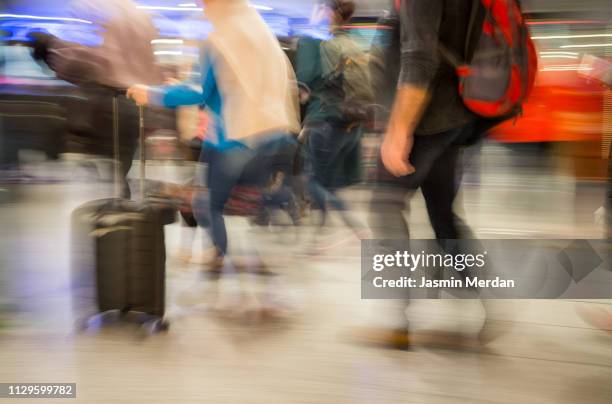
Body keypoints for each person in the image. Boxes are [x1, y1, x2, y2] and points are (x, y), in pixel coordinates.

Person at [363, 0, 507, 349]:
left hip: (427, 117)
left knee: (384, 206)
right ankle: (489, 294)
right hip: (456, 115)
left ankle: (397, 320)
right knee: (443, 215)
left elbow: (419, 58)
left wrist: (399, 130)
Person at [128, 0, 300, 268]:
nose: (201, 5)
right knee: (249, 197)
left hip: (235, 136)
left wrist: (150, 93)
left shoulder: (217, 38)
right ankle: (280, 204)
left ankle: (218, 255)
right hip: (277, 134)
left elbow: (196, 91)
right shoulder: (261, 31)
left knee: (208, 204)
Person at [29, 0, 164, 197]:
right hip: (137, 103)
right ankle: (124, 214)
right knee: (120, 170)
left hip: (109, 102)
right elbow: (152, 66)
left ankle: (117, 216)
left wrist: (51, 50)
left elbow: (84, 61)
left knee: (110, 174)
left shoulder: (94, 7)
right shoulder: (141, 14)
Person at [296, 0, 370, 250]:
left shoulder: (318, 41)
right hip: (352, 122)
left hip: (325, 120)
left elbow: (307, 81)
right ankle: (320, 235)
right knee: (328, 183)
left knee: (314, 180)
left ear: (327, 11)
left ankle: (356, 227)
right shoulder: (354, 40)